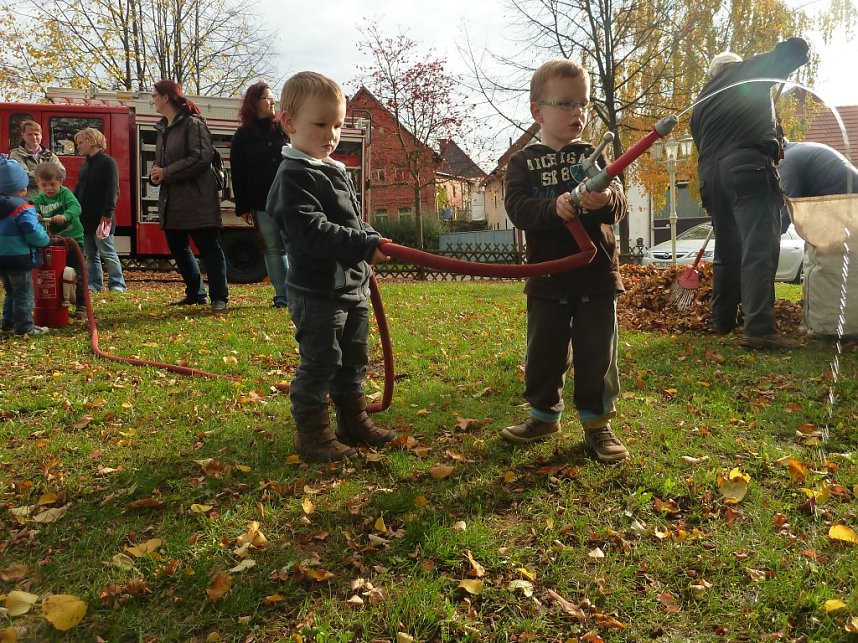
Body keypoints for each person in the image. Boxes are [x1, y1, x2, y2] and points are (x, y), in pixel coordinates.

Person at [500, 59, 629, 463]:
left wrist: (604, 200)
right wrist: (553, 208)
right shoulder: (521, 162)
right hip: (548, 279)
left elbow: (619, 205)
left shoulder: (593, 154)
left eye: (584, 103)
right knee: (544, 353)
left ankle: (597, 422)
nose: (579, 112)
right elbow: (518, 208)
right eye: (567, 103)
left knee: (597, 355)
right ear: (537, 111)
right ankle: (543, 415)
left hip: (596, 277)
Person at [267, 71, 394, 463]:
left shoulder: (330, 168)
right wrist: (363, 245)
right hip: (318, 292)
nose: (332, 134)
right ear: (289, 122)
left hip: (351, 287)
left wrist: (371, 236)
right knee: (321, 361)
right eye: (321, 124)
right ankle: (313, 434)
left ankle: (353, 420)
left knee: (354, 358)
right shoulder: (294, 176)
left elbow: (350, 221)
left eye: (337, 125)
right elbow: (314, 232)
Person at [690, 39, 809, 350]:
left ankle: (722, 320)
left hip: (712, 180)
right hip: (748, 171)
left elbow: (705, 145)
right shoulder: (741, 74)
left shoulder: (701, 104)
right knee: (759, 248)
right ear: (732, 68)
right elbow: (786, 55)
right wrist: (800, 48)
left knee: (727, 252)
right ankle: (759, 329)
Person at [149, 80, 228, 311]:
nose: (152, 100)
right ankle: (195, 293)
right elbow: (162, 161)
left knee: (209, 248)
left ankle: (219, 297)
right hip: (172, 201)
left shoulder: (193, 124)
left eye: (154, 96)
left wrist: (166, 172)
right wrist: (155, 173)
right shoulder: (162, 128)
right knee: (178, 247)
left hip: (198, 200)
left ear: (166, 98)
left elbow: (201, 157)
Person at [231, 81, 290, 308]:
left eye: (273, 97)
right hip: (261, 201)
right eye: (267, 97)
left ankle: (299, 292)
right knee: (273, 248)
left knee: (295, 246)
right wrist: (243, 207)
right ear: (254, 103)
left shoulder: (283, 128)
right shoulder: (242, 135)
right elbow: (238, 172)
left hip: (290, 198)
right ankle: (282, 295)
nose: (273, 101)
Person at [0, 154, 51, 335]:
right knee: (23, 293)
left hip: (1, 259)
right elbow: (32, 232)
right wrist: (46, 240)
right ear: (22, 187)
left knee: (10, 292)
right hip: (19, 258)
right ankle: (24, 327)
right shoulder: (23, 207)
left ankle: (8, 323)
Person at [73, 128, 126, 294]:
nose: (78, 146)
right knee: (90, 254)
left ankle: (117, 284)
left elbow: (113, 189)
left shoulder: (107, 162)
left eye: (81, 142)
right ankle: (94, 284)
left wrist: (108, 213)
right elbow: (79, 190)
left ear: (91, 140)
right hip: (85, 217)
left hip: (102, 216)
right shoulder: (85, 165)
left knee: (107, 252)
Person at [32, 162, 86, 318]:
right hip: (53, 242)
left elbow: (76, 207)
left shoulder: (65, 194)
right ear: (38, 184)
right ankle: (57, 302)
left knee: (79, 272)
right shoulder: (39, 199)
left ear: (61, 181)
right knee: (54, 273)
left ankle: (81, 305)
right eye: (44, 185)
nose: (49, 188)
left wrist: (65, 216)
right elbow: (32, 211)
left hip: (72, 240)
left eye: (52, 184)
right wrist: (35, 216)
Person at [778, 139, 858, 230]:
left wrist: (771, 233)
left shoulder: (786, 161)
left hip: (846, 196)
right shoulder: (795, 150)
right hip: (847, 192)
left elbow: (790, 204)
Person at [9, 120, 67, 201]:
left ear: (41, 135)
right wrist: (50, 174)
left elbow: (61, 174)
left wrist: (34, 173)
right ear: (23, 135)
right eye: (29, 134)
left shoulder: (50, 155)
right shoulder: (16, 154)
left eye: (36, 134)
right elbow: (23, 177)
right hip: (27, 201)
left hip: (49, 202)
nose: (34, 137)